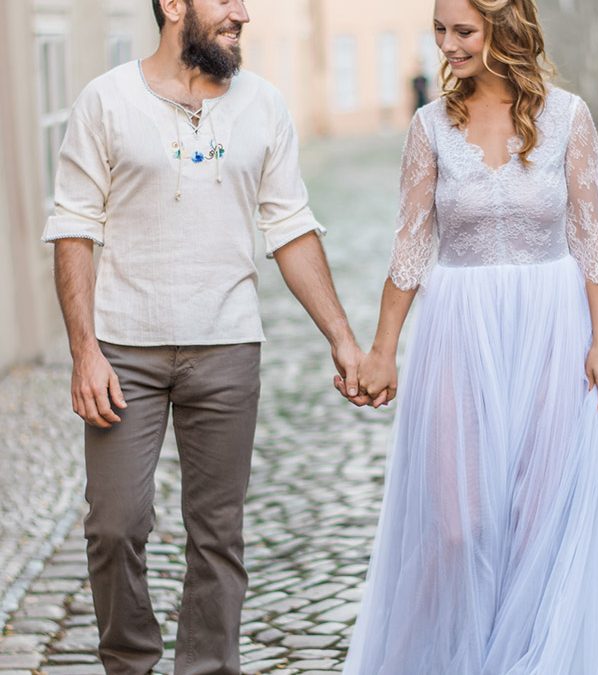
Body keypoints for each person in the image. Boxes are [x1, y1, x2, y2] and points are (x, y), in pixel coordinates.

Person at [336, 0, 598, 672]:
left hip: (553, 327)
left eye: (463, 32)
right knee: (458, 525)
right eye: (440, 31)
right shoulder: (430, 127)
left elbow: (590, 236)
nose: (447, 46)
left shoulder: (568, 117)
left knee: (542, 522)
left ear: (504, 31)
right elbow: (410, 249)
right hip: (458, 330)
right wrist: (382, 349)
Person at [43, 1, 362, 673]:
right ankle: (129, 662)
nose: (242, 13)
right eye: (225, 1)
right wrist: (84, 353)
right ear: (172, 6)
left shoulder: (264, 106)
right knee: (114, 524)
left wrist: (343, 337)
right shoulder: (105, 101)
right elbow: (74, 228)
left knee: (218, 535)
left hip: (227, 345)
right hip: (124, 349)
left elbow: (291, 226)